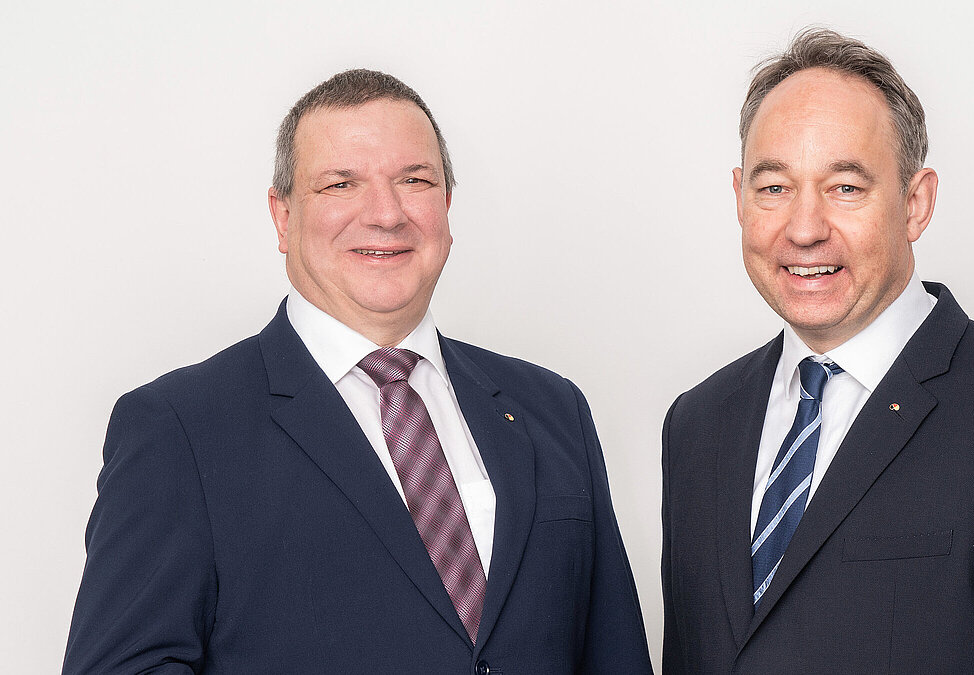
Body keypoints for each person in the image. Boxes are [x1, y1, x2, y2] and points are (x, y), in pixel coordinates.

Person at [64, 69, 652, 674]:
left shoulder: (551, 409)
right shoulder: (180, 429)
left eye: (414, 180)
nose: (387, 214)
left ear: (447, 205)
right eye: (341, 184)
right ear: (282, 215)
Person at [661, 28, 974, 673]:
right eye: (774, 187)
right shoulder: (697, 426)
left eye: (845, 188)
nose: (804, 229)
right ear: (739, 199)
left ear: (916, 204)